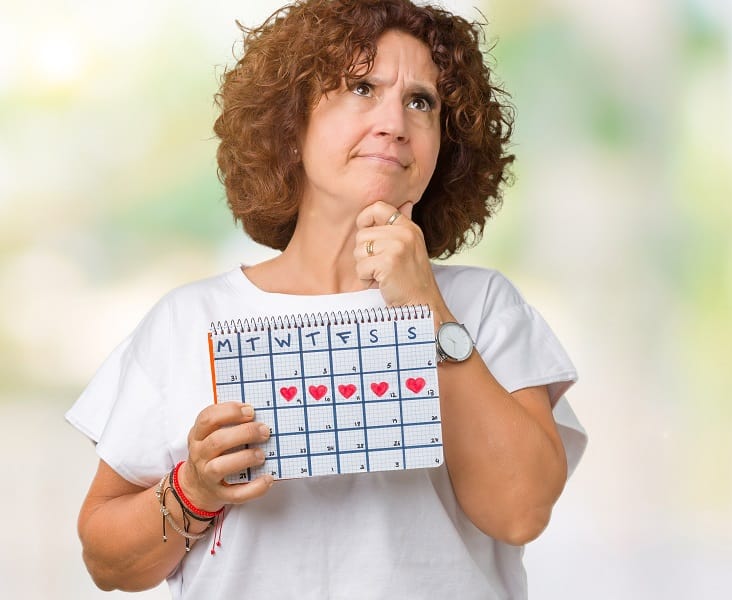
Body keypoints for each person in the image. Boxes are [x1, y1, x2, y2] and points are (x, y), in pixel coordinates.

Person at [67, 0, 587, 598]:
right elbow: (105, 561)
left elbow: (521, 512)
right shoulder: (188, 322)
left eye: (421, 101)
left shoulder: (487, 307)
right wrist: (194, 491)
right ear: (293, 124)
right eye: (362, 87)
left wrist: (425, 308)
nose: (395, 122)